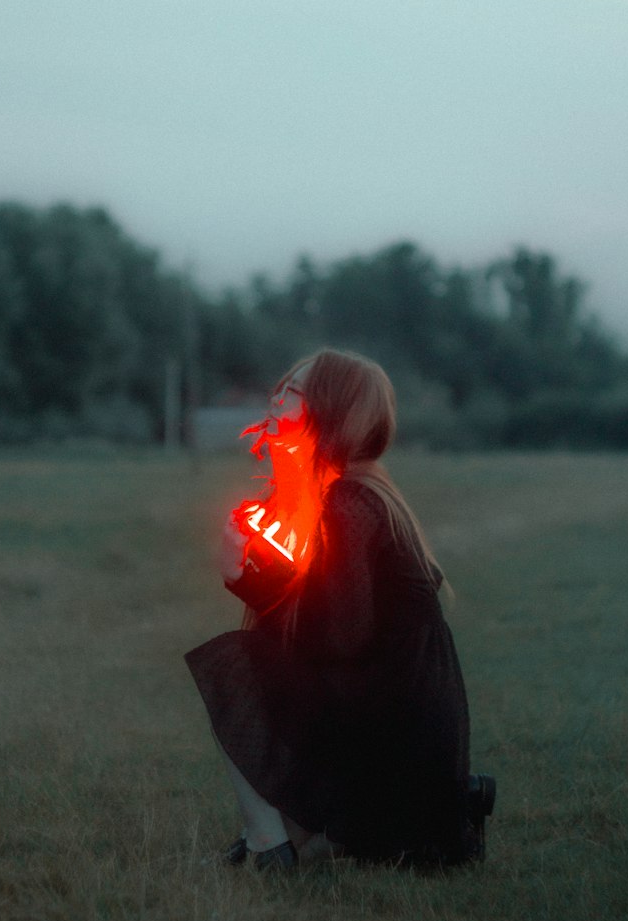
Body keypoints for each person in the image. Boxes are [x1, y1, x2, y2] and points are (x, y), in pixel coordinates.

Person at [184, 349, 495, 871]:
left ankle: (268, 844)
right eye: (280, 386)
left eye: (294, 393)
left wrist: (245, 580)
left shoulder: (349, 501)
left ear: (331, 411)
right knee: (323, 842)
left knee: (237, 667)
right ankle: (447, 799)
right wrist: (255, 577)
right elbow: (329, 626)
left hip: (394, 722)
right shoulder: (336, 490)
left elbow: (339, 642)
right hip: (379, 710)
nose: (276, 399)